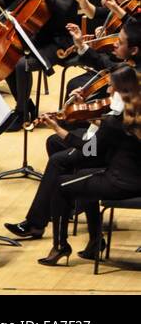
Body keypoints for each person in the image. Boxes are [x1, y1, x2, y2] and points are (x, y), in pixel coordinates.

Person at [5, 23, 141, 244]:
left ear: (134, 50)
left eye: (120, 41)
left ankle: (38, 222)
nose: (114, 43)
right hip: (111, 139)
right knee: (54, 143)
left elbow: (105, 136)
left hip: (118, 156)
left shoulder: (136, 80)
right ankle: (66, 204)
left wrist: (67, 125)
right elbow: (109, 70)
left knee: (59, 159)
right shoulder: (131, 69)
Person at [35, 65, 141, 264]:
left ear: (120, 90)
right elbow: (112, 133)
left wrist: (56, 128)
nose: (108, 90)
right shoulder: (133, 111)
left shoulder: (114, 121)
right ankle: (95, 242)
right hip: (133, 176)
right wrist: (86, 114)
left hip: (121, 183)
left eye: (111, 87)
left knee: (60, 185)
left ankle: (60, 246)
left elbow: (88, 151)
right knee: (84, 176)